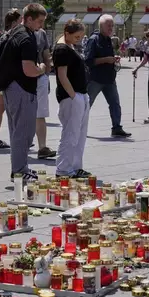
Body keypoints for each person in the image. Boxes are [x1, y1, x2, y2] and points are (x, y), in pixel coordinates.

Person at [1, 3, 48, 181]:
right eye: (40, 21)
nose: (41, 26)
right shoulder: (27, 38)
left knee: (16, 131)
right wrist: (42, 68)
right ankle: (20, 171)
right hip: (22, 89)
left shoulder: (13, 32)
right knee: (24, 133)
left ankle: (19, 169)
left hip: (9, 87)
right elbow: (29, 69)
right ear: (29, 19)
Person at [53, 19, 91, 178]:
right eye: (77, 37)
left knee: (80, 134)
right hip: (72, 96)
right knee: (71, 134)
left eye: (81, 36)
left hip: (80, 94)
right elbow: (62, 76)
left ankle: (75, 166)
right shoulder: (62, 49)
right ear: (66, 33)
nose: (79, 40)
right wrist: (74, 96)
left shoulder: (69, 46)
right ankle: (63, 169)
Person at [86, 15, 131, 138]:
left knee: (115, 103)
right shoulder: (93, 40)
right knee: (87, 104)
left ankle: (116, 128)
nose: (111, 28)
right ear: (101, 26)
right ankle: (78, 127)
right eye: (109, 25)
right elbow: (88, 61)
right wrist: (106, 59)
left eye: (112, 25)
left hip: (110, 78)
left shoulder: (108, 40)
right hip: (96, 79)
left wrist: (113, 60)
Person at [0, 8, 22, 150]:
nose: (22, 23)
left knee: (1, 108)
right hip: (4, 78)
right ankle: (1, 138)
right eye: (20, 21)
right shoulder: (9, 36)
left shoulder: (3, 35)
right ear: (14, 22)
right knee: (4, 109)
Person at [34, 28, 57, 159]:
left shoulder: (41, 33)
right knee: (34, 114)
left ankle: (42, 147)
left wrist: (46, 76)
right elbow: (46, 56)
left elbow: (47, 55)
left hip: (38, 78)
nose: (42, 24)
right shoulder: (20, 31)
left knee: (40, 114)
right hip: (28, 80)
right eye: (40, 20)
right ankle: (37, 146)